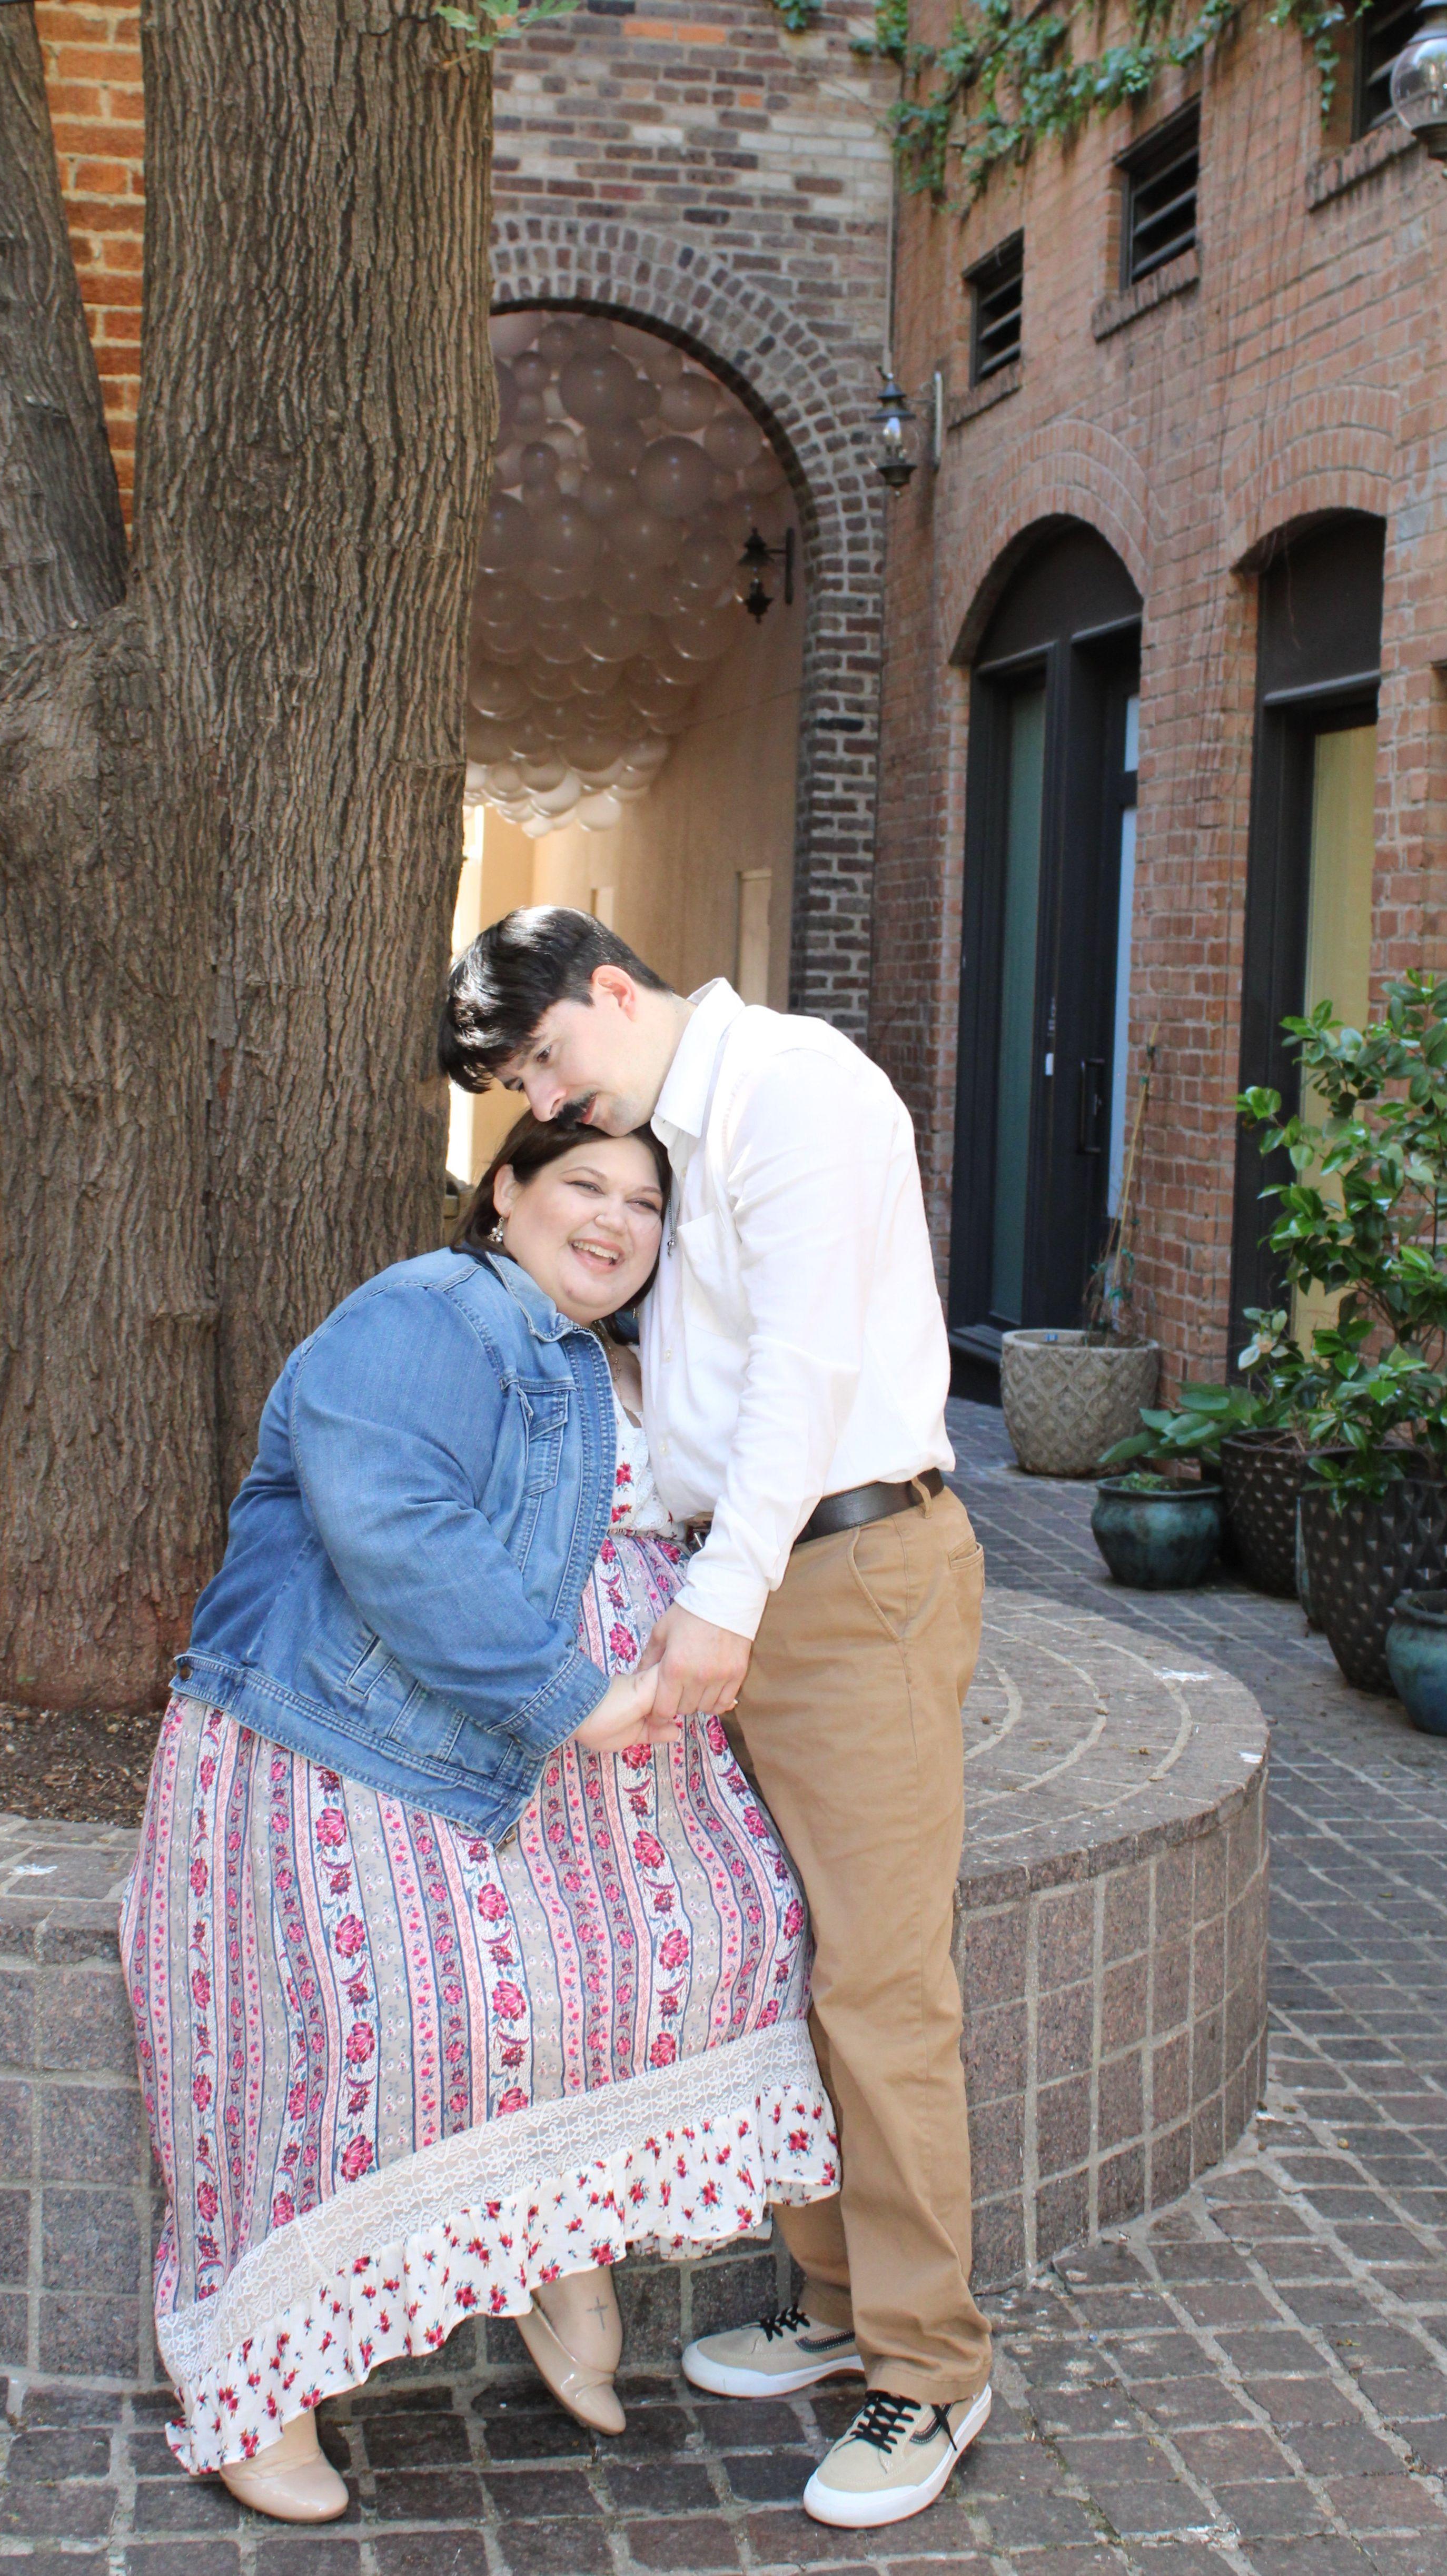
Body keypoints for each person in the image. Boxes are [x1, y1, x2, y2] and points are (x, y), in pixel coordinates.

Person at [120, 1115, 840, 2522]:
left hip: (594, 1758)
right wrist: (567, 1695)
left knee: (723, 1940)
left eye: (645, 1202)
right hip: (361, 1733)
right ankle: (266, 2378)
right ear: (504, 1189)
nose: (615, 1220)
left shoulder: (622, 1357)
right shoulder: (432, 1308)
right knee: (382, 2024)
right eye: (584, 1184)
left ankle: (551, 2240)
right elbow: (392, 1519)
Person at [439, 908, 993, 2532]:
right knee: (778, 1947)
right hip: (753, 1580)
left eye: (547, 1057)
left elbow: (804, 1373)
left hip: (845, 1573)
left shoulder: (793, 1088)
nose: (550, 1099)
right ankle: (836, 2302)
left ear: (612, 989)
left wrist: (722, 1601)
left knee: (881, 1980)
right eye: (524, 1087)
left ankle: (933, 2366)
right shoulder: (680, 1128)